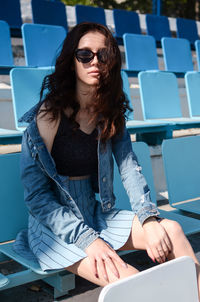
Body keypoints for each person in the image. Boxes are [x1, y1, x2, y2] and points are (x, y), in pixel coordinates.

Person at [14, 22, 200, 295]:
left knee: (170, 230)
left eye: (104, 54)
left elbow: (130, 170)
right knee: (133, 281)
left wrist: (149, 220)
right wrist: (89, 241)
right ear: (72, 60)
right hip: (54, 229)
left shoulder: (110, 111)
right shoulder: (48, 115)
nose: (95, 62)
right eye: (85, 55)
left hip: (95, 214)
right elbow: (37, 198)